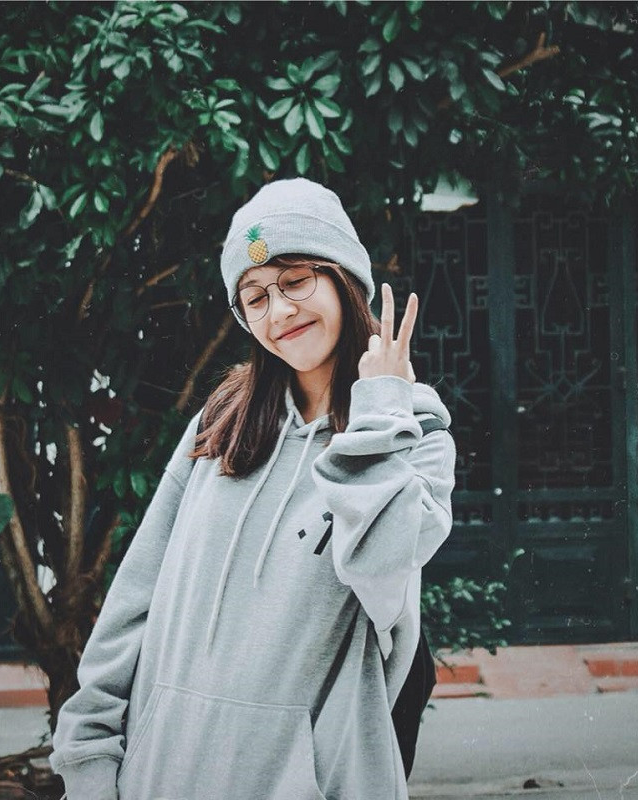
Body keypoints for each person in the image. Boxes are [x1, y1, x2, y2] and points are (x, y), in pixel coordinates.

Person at [50, 178, 456, 800]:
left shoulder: (415, 432)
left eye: (296, 282)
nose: (280, 311)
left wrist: (380, 412)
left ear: (344, 280)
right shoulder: (223, 423)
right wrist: (89, 759)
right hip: (163, 776)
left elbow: (381, 570)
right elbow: (136, 598)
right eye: (256, 297)